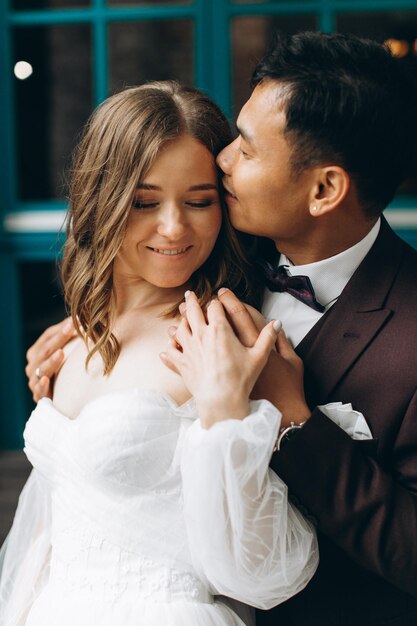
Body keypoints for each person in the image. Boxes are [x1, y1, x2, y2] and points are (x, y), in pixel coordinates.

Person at [23, 32, 417, 625]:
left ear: (325, 189)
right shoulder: (226, 246)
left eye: (249, 151)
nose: (224, 158)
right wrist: (88, 334)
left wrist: (295, 419)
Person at [0, 80, 319, 626]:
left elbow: (268, 575)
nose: (174, 228)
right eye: (145, 202)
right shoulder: (80, 333)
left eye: (199, 201)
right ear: (104, 198)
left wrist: (225, 416)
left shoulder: (220, 339)